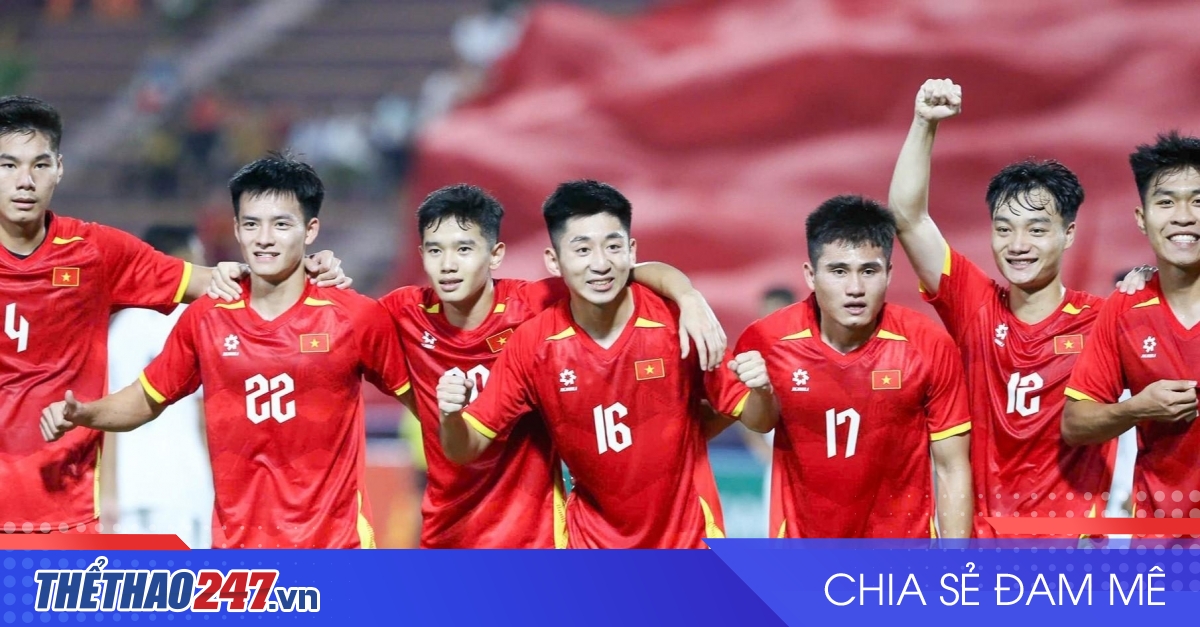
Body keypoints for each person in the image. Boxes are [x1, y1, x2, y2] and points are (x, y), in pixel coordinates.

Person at [0, 96, 347, 535]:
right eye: (8, 165)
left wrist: (303, 269)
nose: (25, 181)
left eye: (39, 164)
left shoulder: (96, 252)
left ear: (59, 169)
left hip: (67, 514)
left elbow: (213, 281)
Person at [40, 154, 408, 548]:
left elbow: (424, 405)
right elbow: (144, 400)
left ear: (310, 229)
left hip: (337, 548)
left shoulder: (354, 317)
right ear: (236, 228)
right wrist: (85, 413)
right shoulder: (206, 318)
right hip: (238, 552)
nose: (264, 238)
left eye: (281, 224)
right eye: (251, 224)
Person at [381, 183, 727, 548]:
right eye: (436, 250)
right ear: (421, 253)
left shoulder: (536, 305)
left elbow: (625, 271)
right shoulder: (401, 312)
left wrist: (688, 296)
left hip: (540, 527)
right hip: (448, 523)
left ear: (495, 254)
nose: (448, 264)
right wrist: (331, 277)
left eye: (464, 249)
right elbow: (350, 321)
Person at [887, 79, 1122, 530]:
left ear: (1068, 234)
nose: (1017, 245)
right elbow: (908, 218)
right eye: (1003, 228)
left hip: (1073, 552)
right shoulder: (974, 304)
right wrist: (923, 123)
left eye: (1036, 229)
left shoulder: (1103, 319)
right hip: (984, 547)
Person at [731, 195, 973, 538]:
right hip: (802, 552)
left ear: (889, 274)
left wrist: (956, 562)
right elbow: (759, 423)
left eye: (869, 271)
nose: (855, 288)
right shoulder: (766, 339)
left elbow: (952, 467)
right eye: (839, 271)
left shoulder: (929, 345)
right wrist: (761, 392)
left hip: (903, 554)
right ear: (811, 275)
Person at [1063, 131, 1200, 525]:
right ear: (1142, 219)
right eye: (1166, 202)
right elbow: (1075, 424)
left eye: (1198, 201)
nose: (1183, 216)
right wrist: (1138, 408)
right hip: (1161, 543)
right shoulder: (1125, 308)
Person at [107, 225, 214, 547]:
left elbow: (105, 418)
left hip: (131, 487)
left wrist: (108, 490)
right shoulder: (193, 321)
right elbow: (205, 414)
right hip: (183, 482)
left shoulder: (121, 327)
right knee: (186, 578)